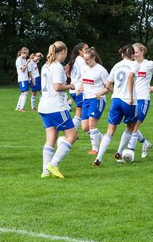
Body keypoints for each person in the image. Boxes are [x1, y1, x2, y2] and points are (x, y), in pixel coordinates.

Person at [119, 42, 153, 159]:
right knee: (130, 126)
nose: (134, 55)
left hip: (144, 99)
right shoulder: (130, 65)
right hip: (132, 100)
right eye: (133, 53)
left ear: (142, 52)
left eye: (136, 52)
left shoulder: (150, 64)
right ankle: (145, 143)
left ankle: (129, 153)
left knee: (135, 126)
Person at [37, 41, 79, 178]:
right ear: (63, 52)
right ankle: (53, 164)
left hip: (44, 106)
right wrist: (71, 86)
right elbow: (57, 87)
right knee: (72, 135)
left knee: (51, 138)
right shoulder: (57, 67)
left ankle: (45, 171)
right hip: (56, 106)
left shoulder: (45, 65)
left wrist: (65, 78)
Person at [93, 44, 138, 166]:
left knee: (110, 131)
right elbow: (130, 77)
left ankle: (98, 158)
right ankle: (119, 152)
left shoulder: (116, 66)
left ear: (122, 54)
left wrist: (116, 93)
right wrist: (131, 96)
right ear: (133, 54)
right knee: (130, 127)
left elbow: (107, 85)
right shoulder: (135, 64)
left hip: (116, 100)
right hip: (129, 101)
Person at [77, 46, 110, 154]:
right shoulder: (84, 68)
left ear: (94, 57)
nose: (86, 61)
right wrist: (80, 88)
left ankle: (95, 149)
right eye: (84, 59)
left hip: (97, 100)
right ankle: (103, 140)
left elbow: (109, 87)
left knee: (92, 125)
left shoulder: (101, 70)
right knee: (85, 127)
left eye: (88, 59)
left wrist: (101, 93)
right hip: (86, 99)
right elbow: (83, 81)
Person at [14, 46, 30, 111]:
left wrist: (28, 77)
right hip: (22, 78)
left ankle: (18, 107)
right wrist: (27, 63)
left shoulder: (24, 59)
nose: (27, 55)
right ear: (23, 53)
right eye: (26, 54)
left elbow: (26, 70)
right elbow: (23, 69)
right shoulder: (19, 60)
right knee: (25, 92)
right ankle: (21, 108)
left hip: (25, 78)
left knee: (23, 93)